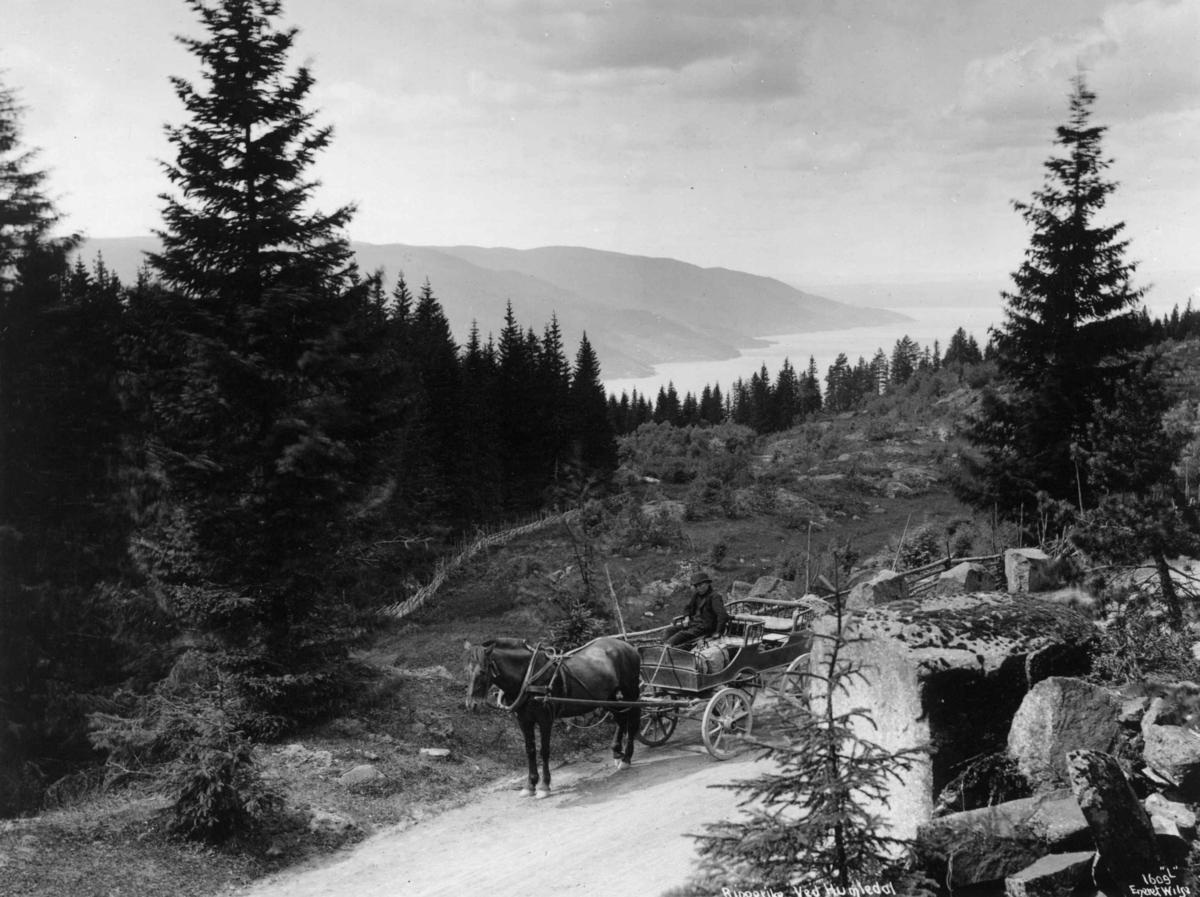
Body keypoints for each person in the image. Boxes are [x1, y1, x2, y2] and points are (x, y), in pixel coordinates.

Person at [662, 570, 729, 648]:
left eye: (700, 585)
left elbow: (723, 616)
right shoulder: (696, 595)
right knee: (669, 630)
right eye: (696, 586)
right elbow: (688, 607)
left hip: (705, 627)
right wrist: (686, 618)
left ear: (707, 583)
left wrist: (718, 632)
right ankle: (660, 648)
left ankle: (667, 650)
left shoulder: (715, 597)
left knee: (680, 635)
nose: (698, 588)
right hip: (693, 624)